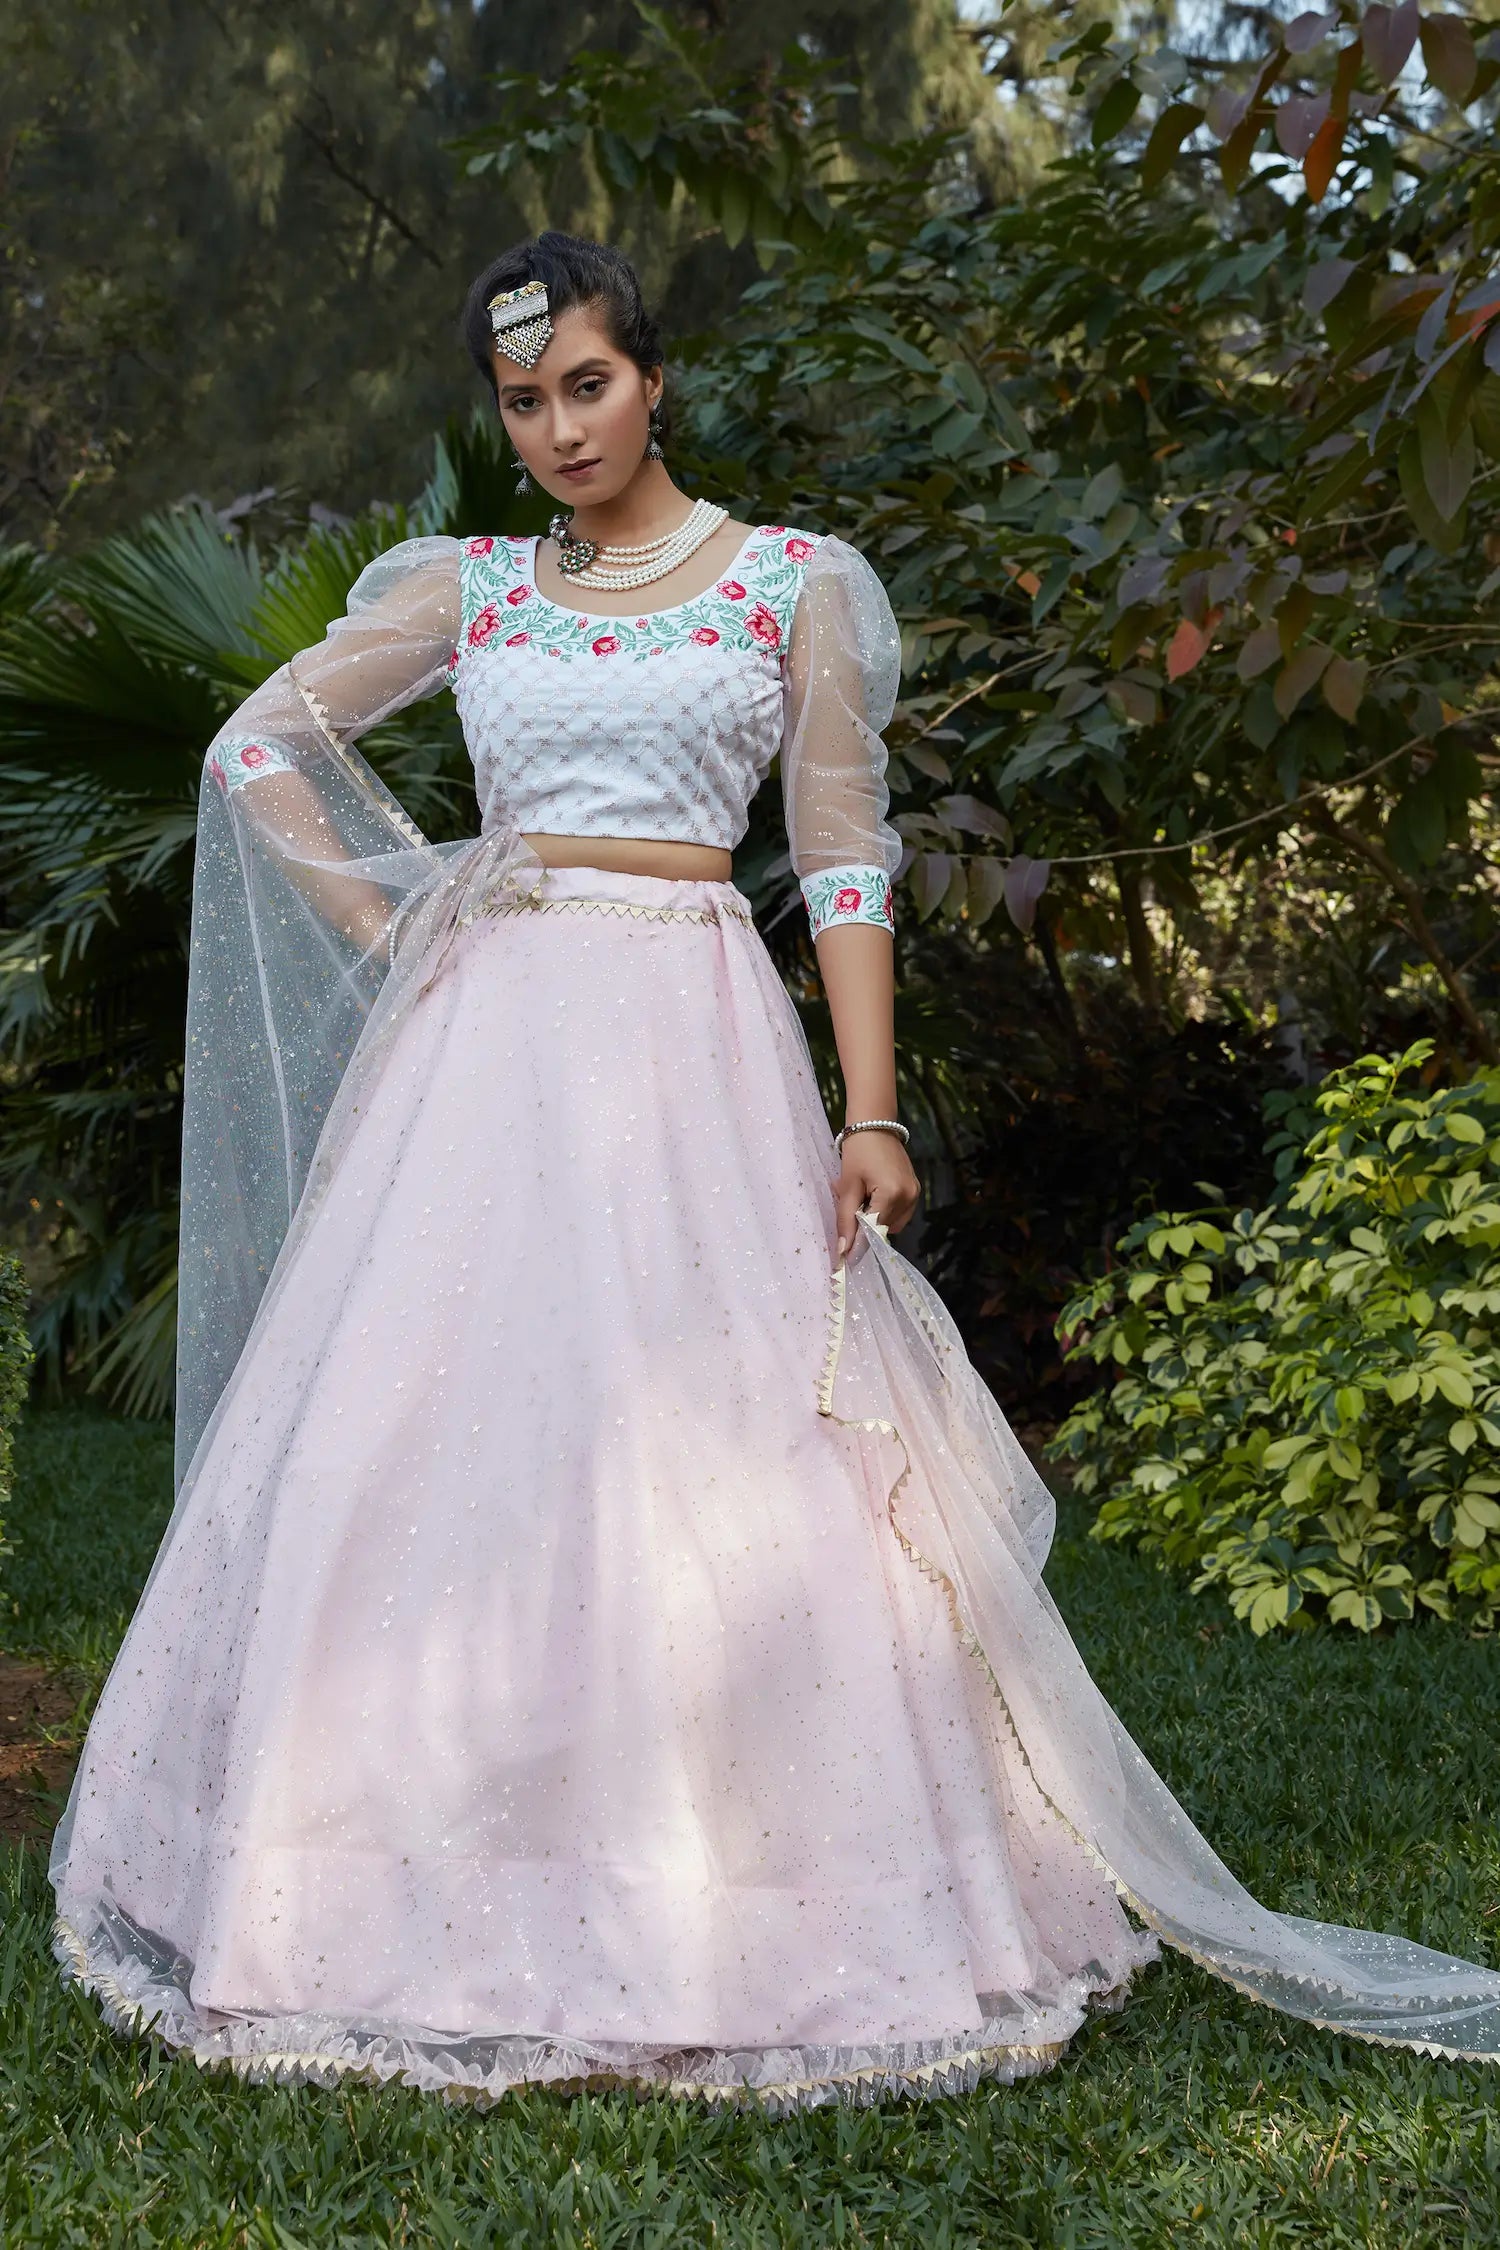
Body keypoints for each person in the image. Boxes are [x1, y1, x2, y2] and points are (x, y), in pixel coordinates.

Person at [46, 232, 1500, 2112]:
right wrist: (398, 919)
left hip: (695, 1038)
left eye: (587, 384)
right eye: (523, 400)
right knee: (429, 1441)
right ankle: (366, 1890)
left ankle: (758, 1900)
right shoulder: (473, 593)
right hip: (487, 1054)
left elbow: (841, 852)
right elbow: (261, 742)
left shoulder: (788, 583)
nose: (560, 429)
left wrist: (871, 1109)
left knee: (733, 1459)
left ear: (652, 379)